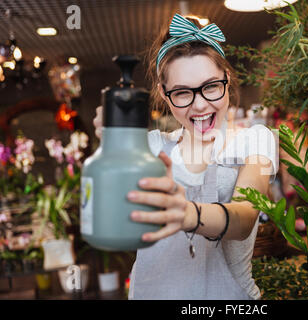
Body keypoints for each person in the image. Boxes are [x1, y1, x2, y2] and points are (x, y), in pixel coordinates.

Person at [93, 14, 278, 300]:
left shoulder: (254, 140)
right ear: (164, 95)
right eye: (182, 93)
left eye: (211, 86)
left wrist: (187, 213)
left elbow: (243, 218)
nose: (200, 104)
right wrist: (112, 139)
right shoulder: (149, 148)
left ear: (227, 80)